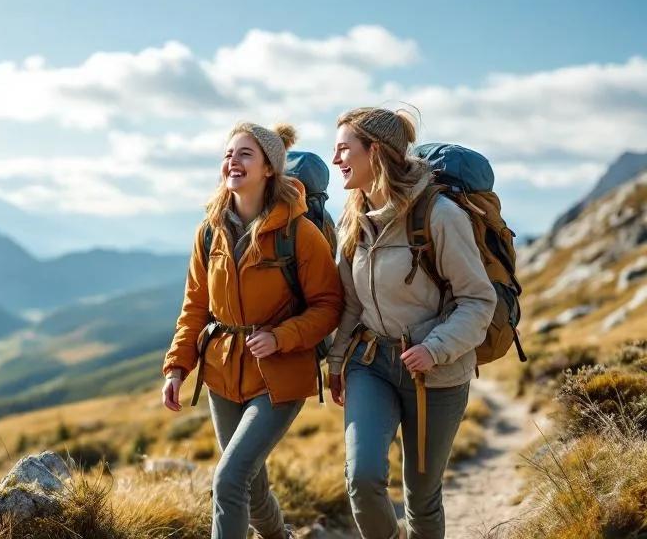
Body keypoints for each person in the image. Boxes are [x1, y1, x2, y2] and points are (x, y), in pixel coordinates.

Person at [161, 121, 344, 539]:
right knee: (252, 486)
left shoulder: (300, 233)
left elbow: (329, 306)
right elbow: (194, 308)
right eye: (228, 154)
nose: (232, 161)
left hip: (280, 375)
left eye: (245, 154)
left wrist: (281, 337)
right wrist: (176, 368)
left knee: (229, 479)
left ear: (268, 169)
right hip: (222, 374)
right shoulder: (209, 231)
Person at [326, 107, 496, 539]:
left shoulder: (440, 216)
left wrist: (434, 348)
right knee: (362, 480)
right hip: (371, 363)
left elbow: (478, 300)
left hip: (436, 372)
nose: (336, 160)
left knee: (421, 497)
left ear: (376, 152)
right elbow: (351, 302)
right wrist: (336, 360)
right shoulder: (353, 219)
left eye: (344, 149)